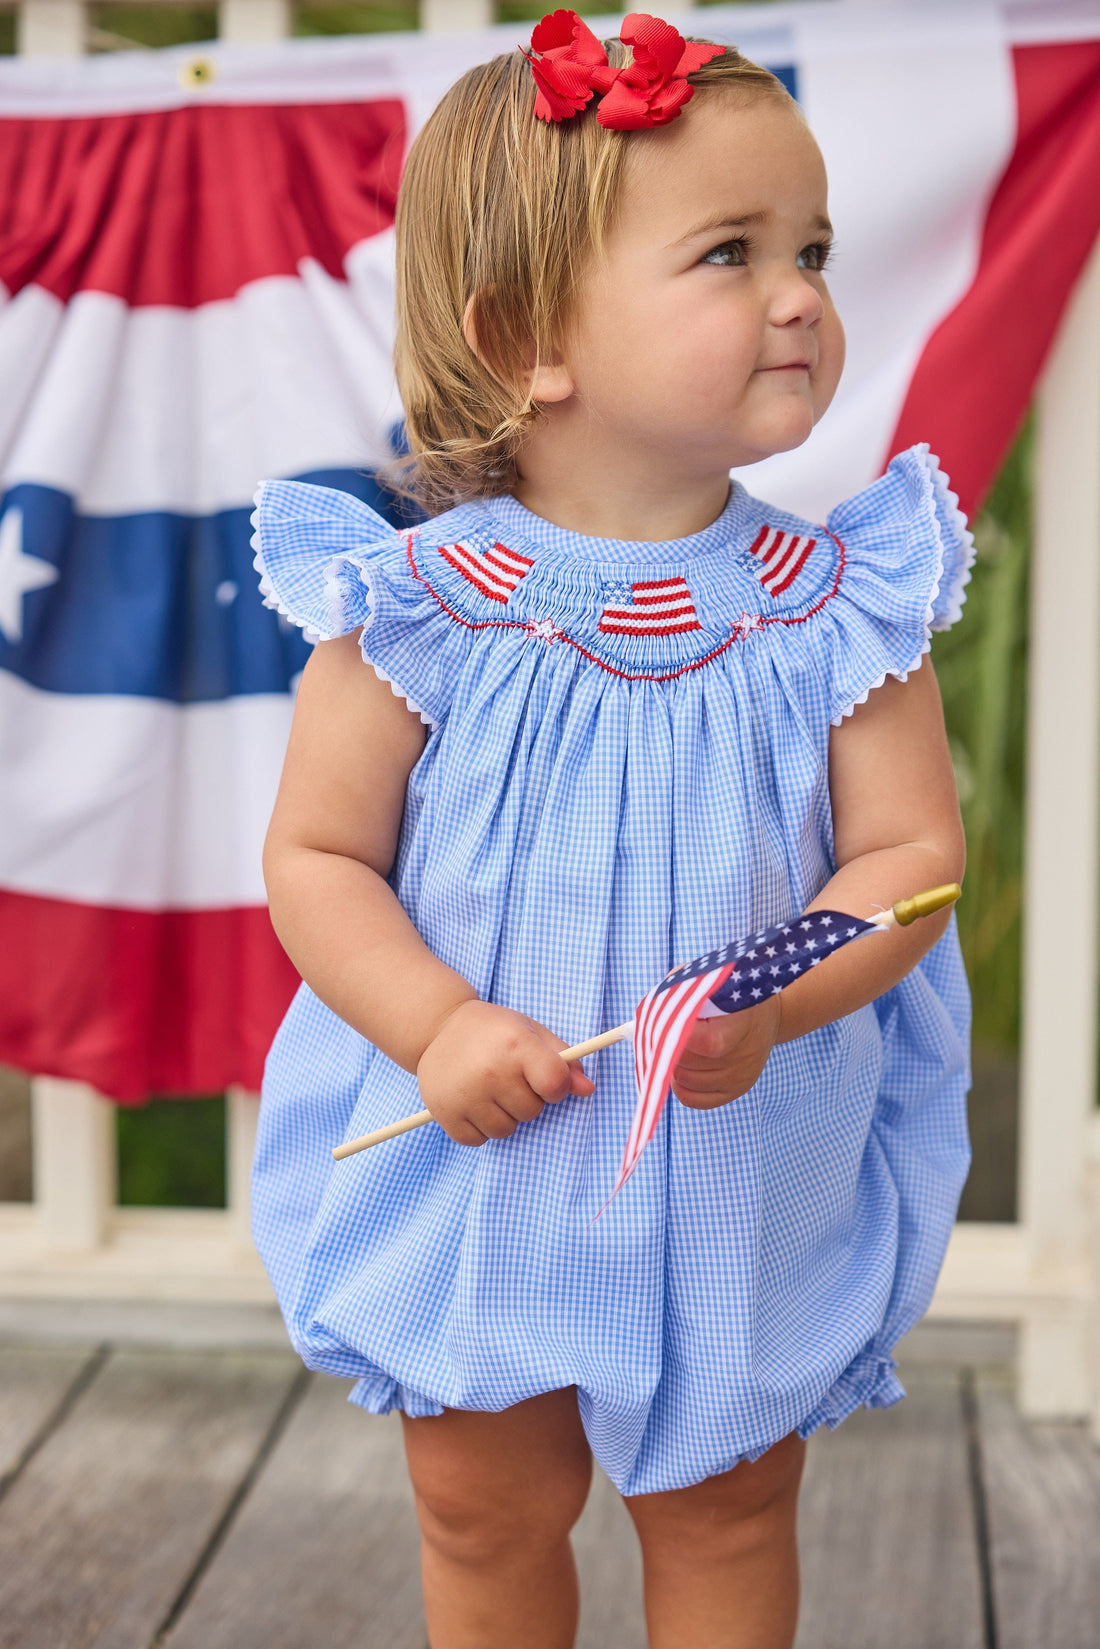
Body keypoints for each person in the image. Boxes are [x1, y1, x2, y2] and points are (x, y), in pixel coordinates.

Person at [251, 14, 970, 1648]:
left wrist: (775, 995)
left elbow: (911, 865)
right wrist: (436, 1025)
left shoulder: (837, 606)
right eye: (730, 253)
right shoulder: (418, 609)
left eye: (812, 250)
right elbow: (317, 859)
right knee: (482, 1500)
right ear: (526, 340)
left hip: (735, 1150)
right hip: (488, 1146)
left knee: (727, 1504)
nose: (801, 295)